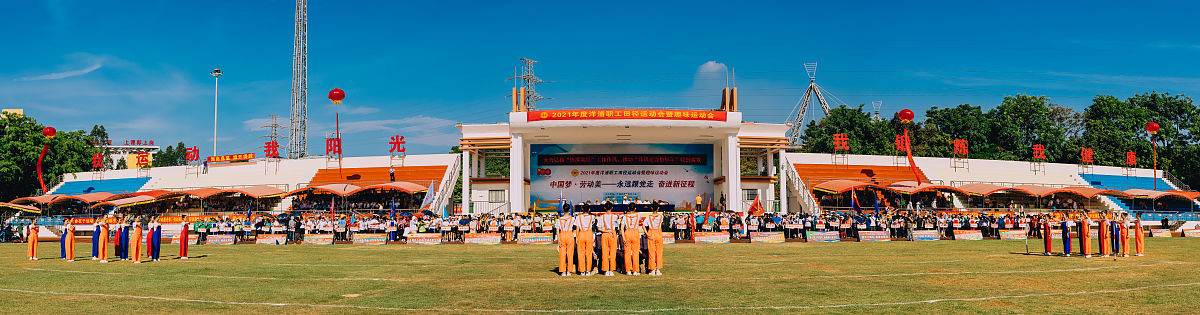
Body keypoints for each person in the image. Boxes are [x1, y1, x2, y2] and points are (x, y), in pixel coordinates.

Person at [621, 210, 641, 275]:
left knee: (627, 253)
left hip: (627, 233)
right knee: (635, 253)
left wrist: (623, 238)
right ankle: (635, 270)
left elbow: (622, 228)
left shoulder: (625, 217)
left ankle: (628, 270)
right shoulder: (638, 216)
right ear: (635, 209)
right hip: (635, 233)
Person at [645, 209, 664, 276]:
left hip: (651, 232)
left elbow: (643, 226)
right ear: (658, 208)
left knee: (651, 252)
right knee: (659, 252)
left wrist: (647, 234)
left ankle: (652, 270)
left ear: (651, 208)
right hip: (658, 233)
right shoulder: (661, 216)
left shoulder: (648, 217)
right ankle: (658, 270)